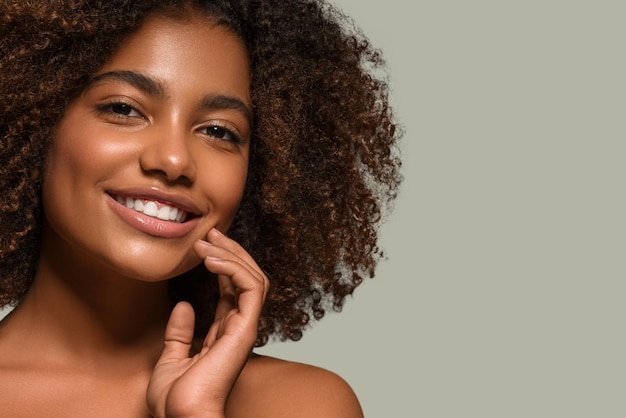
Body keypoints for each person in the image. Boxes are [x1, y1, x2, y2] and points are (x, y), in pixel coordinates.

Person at [0, 0, 402, 416]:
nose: (175, 161)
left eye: (218, 131)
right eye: (124, 108)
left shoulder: (301, 404)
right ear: (31, 121)